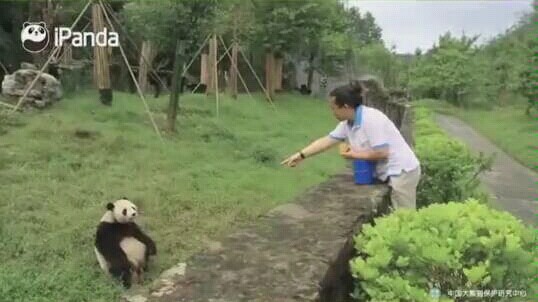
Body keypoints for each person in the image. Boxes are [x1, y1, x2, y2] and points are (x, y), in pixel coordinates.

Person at [281, 81, 421, 210]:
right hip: (390, 172)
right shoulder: (348, 123)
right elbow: (327, 141)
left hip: (402, 171)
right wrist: (301, 155)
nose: (332, 113)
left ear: (346, 106)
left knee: (405, 217)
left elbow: (383, 152)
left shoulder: (370, 119)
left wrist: (355, 155)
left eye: (334, 108)